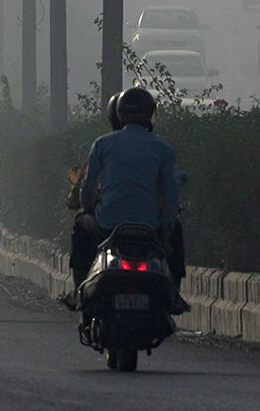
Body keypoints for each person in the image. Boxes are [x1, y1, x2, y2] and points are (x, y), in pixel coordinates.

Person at [68, 87, 187, 314]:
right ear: (150, 114)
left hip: (107, 225)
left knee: (80, 226)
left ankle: (78, 292)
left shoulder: (102, 144)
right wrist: (166, 227)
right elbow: (171, 196)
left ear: (119, 114)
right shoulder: (162, 147)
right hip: (150, 226)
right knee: (177, 234)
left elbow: (88, 188)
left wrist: (87, 207)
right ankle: (175, 295)